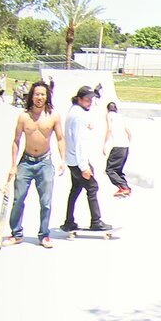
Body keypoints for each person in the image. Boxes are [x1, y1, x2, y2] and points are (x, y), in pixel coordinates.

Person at [4, 80, 66, 247]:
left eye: (42, 94)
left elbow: (60, 138)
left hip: (45, 162)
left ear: (47, 97)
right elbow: (16, 141)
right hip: (26, 161)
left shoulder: (54, 115)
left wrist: (62, 160)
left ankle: (44, 235)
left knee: (46, 201)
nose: (39, 97)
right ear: (32, 96)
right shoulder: (24, 117)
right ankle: (16, 233)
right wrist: (13, 164)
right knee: (18, 199)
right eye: (36, 94)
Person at [61, 86, 112, 233]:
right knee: (92, 187)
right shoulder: (78, 117)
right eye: (87, 99)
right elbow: (79, 142)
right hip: (78, 161)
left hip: (72, 160)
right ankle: (96, 221)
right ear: (79, 99)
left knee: (75, 189)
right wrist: (84, 167)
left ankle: (69, 222)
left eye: (91, 99)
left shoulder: (74, 111)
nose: (89, 102)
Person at [103, 101, 132, 196]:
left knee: (110, 170)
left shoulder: (109, 115)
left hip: (118, 147)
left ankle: (123, 186)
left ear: (108, 109)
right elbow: (129, 133)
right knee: (118, 170)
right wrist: (127, 143)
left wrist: (104, 144)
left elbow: (109, 129)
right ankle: (125, 187)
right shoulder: (120, 117)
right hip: (125, 147)